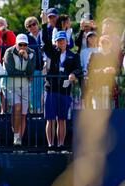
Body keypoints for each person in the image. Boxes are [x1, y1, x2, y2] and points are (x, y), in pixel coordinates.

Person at [41, 12, 82, 153]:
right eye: (58, 41)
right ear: (56, 42)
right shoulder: (52, 52)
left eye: (63, 41)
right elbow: (45, 41)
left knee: (62, 119)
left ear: (66, 41)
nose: (61, 43)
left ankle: (60, 145)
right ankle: (51, 146)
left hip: (64, 90)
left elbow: (79, 69)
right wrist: (43, 22)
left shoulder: (73, 55)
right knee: (50, 119)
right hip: (50, 89)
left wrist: (73, 74)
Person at [3, 34, 36, 146]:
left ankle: (19, 140)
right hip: (11, 86)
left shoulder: (31, 53)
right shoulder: (9, 52)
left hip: (25, 87)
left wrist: (27, 58)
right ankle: (16, 136)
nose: (22, 46)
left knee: (23, 113)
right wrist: (25, 74)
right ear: (16, 44)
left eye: (24, 44)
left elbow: (31, 71)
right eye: (20, 44)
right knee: (17, 107)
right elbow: (11, 71)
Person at [87, 35, 120, 109]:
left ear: (110, 44)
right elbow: (89, 71)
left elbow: (119, 70)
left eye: (107, 42)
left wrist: (114, 70)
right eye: (103, 42)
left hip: (110, 86)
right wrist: (103, 71)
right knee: (97, 109)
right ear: (99, 43)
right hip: (96, 86)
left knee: (108, 110)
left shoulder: (113, 56)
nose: (105, 44)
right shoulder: (93, 55)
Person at [25, 16, 44, 114]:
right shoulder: (26, 38)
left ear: (37, 24)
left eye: (34, 24)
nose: (32, 27)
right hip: (34, 68)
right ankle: (35, 112)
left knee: (45, 91)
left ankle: (42, 111)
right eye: (29, 26)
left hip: (46, 67)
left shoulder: (44, 33)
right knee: (34, 91)